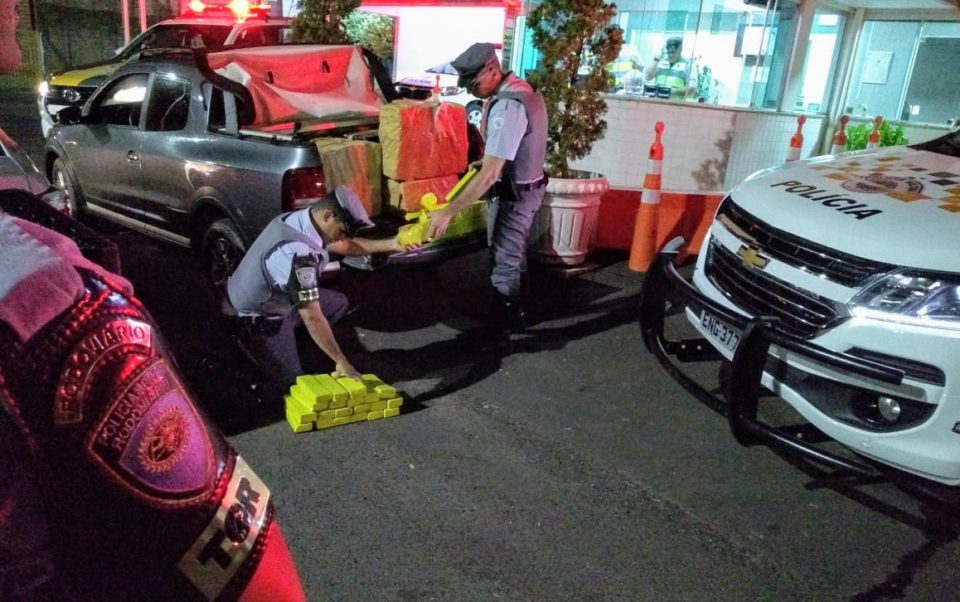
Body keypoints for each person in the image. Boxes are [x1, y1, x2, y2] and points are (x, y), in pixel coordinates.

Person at [226, 185, 407, 399]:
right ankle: (257, 347)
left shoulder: (302, 220)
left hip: (275, 298)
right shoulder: (298, 255)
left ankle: (295, 333)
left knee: (337, 303)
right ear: (328, 216)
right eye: (344, 230)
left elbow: (345, 246)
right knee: (292, 384)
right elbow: (312, 315)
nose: (344, 237)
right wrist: (341, 361)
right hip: (258, 313)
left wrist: (392, 244)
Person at [425, 42, 548, 342]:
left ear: (492, 70)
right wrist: (492, 158)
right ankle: (514, 312)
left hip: (514, 194)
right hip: (528, 185)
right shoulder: (524, 90)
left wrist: (449, 210)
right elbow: (514, 146)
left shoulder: (507, 105)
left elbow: (491, 174)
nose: (470, 90)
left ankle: (503, 327)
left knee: (503, 259)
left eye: (473, 82)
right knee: (514, 255)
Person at [644, 37, 695, 101]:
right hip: (657, 102)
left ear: (680, 49)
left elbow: (691, 89)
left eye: (673, 52)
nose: (670, 55)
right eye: (668, 52)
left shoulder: (687, 65)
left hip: (675, 104)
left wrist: (670, 91)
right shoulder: (660, 61)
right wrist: (656, 60)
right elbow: (647, 77)